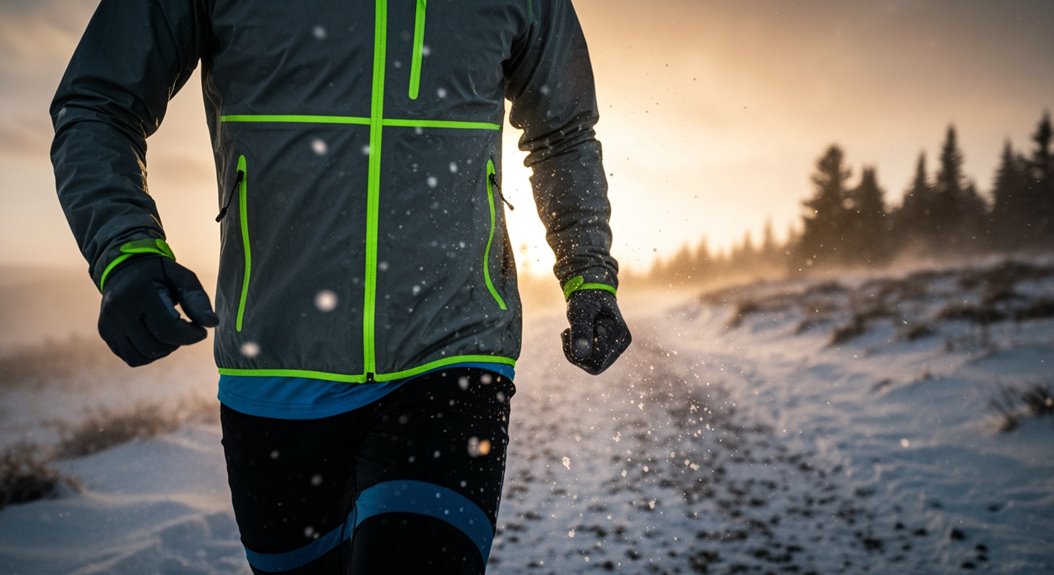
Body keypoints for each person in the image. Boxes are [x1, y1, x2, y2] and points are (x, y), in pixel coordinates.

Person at [51, 1, 631, 573]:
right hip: (274, 366)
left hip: (454, 348)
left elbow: (563, 132)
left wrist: (588, 275)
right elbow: (98, 104)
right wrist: (125, 251)